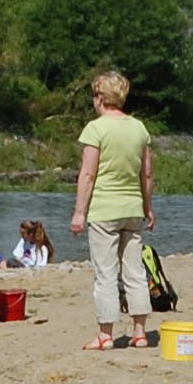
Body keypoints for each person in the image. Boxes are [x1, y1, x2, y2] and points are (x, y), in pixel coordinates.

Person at [72, 71, 156, 349]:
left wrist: (79, 213)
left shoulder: (95, 129)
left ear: (99, 98)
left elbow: (87, 174)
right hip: (133, 208)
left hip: (104, 209)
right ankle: (140, 331)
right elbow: (147, 174)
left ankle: (106, 333)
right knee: (134, 271)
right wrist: (148, 207)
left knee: (106, 273)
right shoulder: (139, 128)